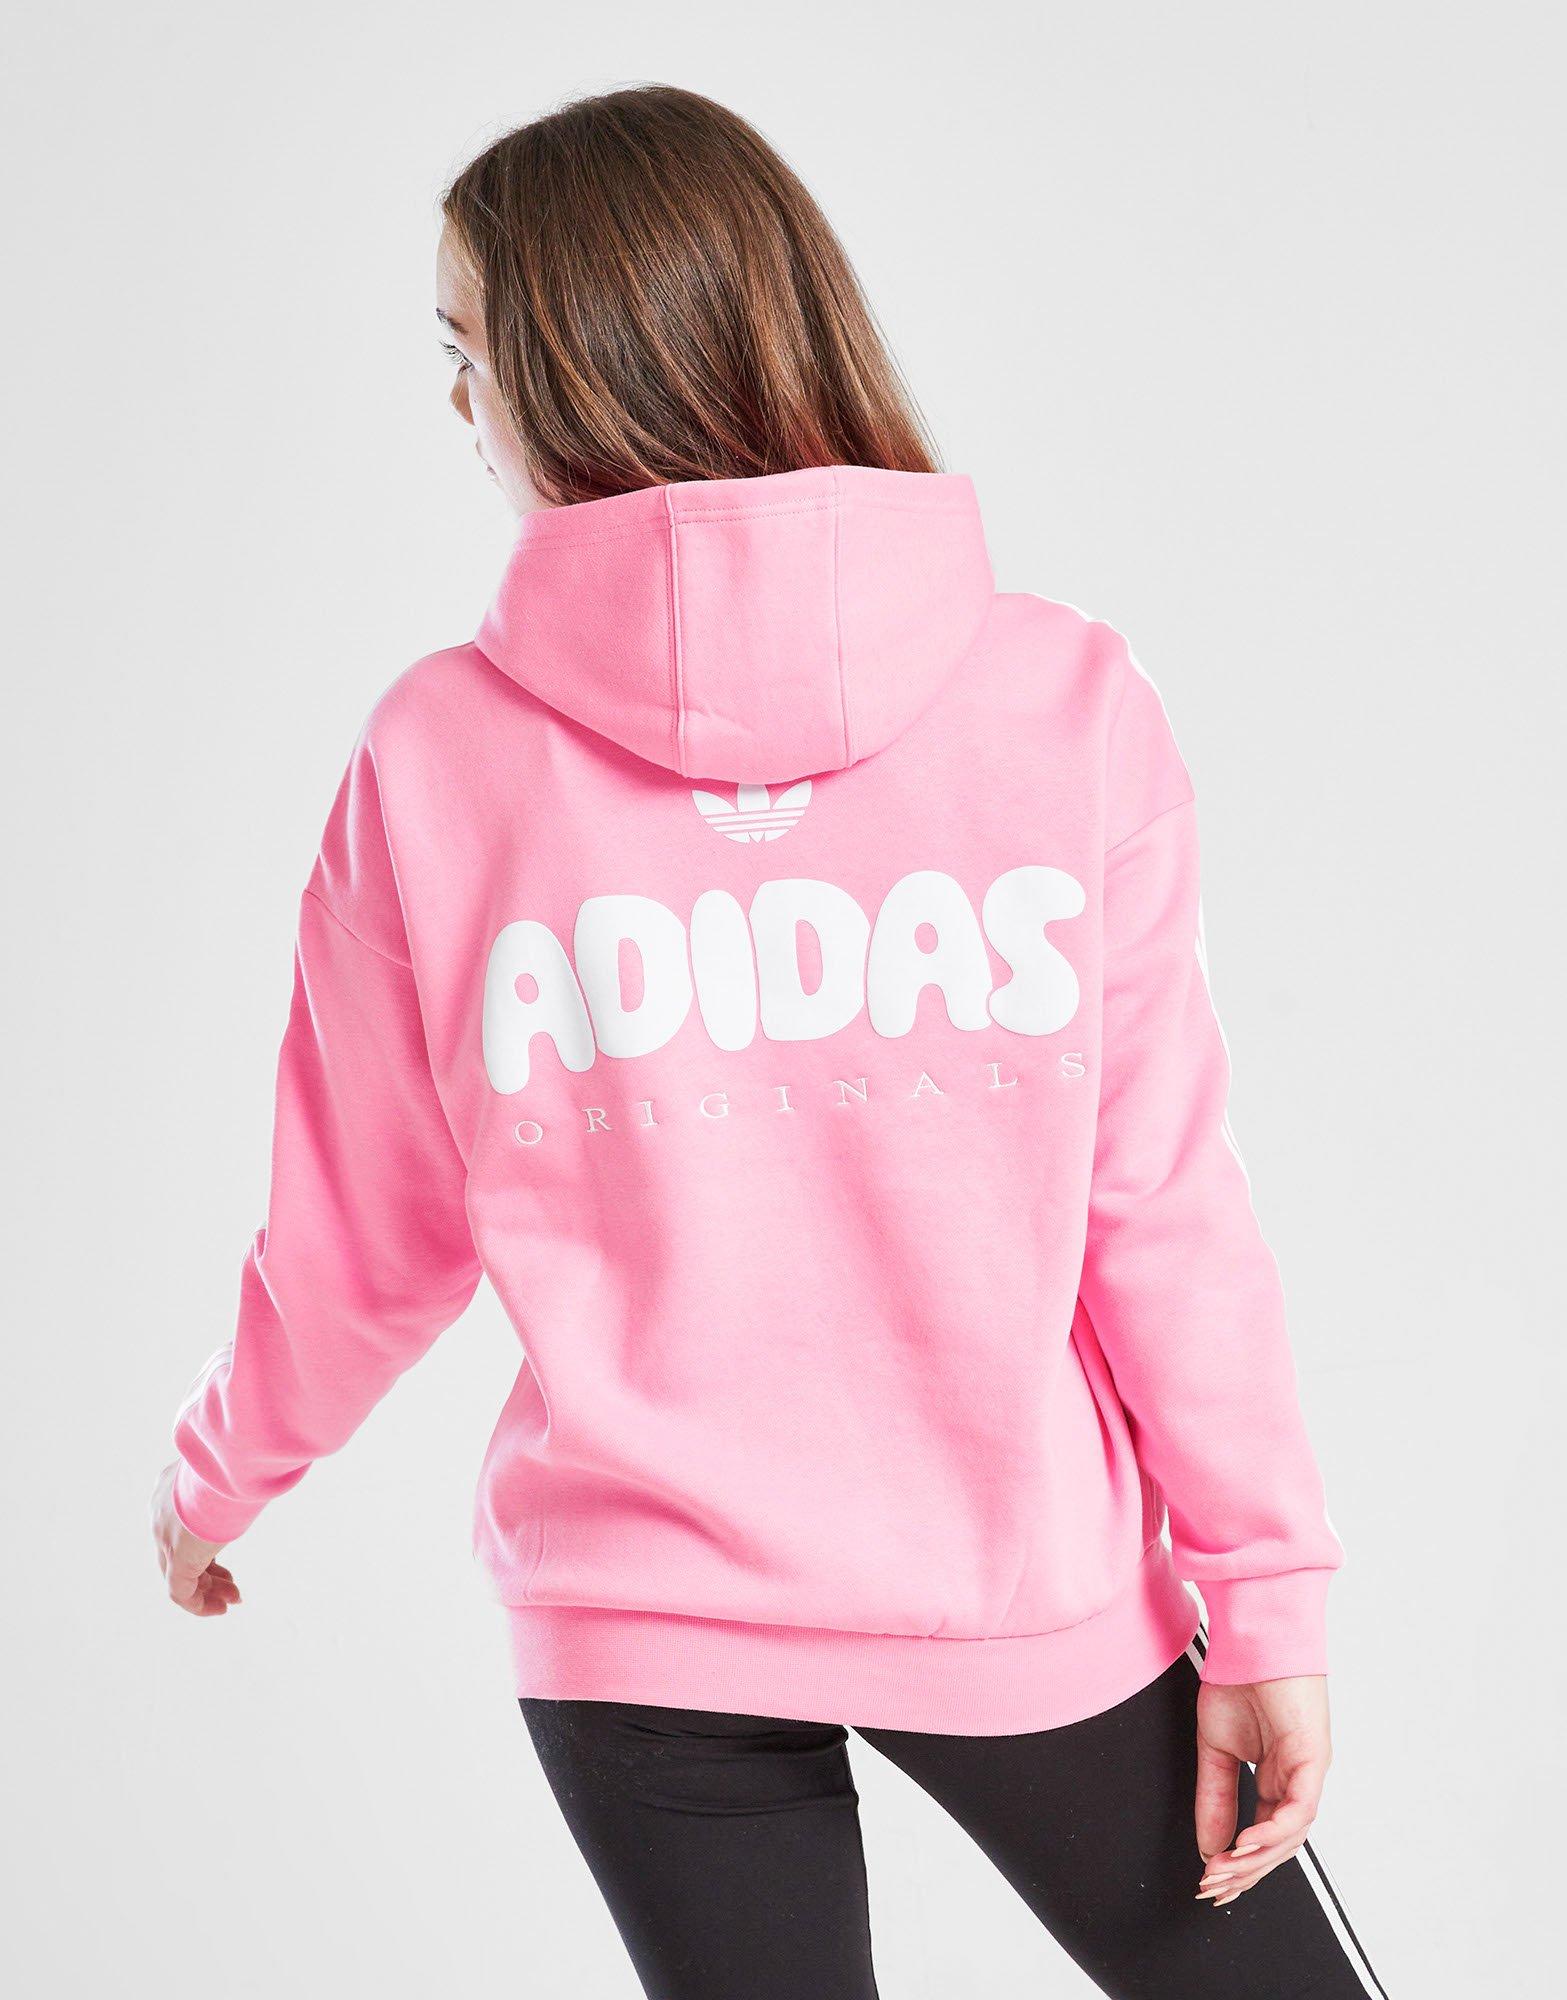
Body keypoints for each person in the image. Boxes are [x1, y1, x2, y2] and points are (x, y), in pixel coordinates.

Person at [150, 85, 1386, 2000]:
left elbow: (361, 1244)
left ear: (588, 367)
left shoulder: (436, 758)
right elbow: (1156, 1204)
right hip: (1005, 1575)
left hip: (649, 1610)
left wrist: (212, 1479)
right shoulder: (1058, 698)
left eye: (472, 354)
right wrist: (1266, 1591)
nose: (460, 408)